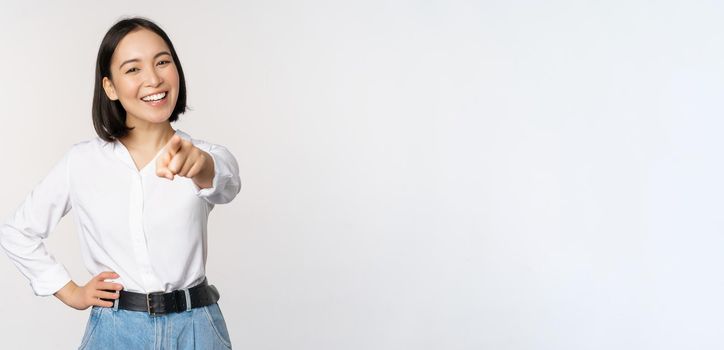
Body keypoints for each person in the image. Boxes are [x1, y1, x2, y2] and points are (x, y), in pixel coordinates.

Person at [0, 17, 241, 349]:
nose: (153, 78)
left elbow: (226, 182)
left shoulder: (205, 154)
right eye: (133, 69)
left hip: (197, 328)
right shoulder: (81, 162)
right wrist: (70, 291)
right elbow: (17, 231)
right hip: (115, 331)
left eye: (162, 62)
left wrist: (201, 166)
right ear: (110, 87)